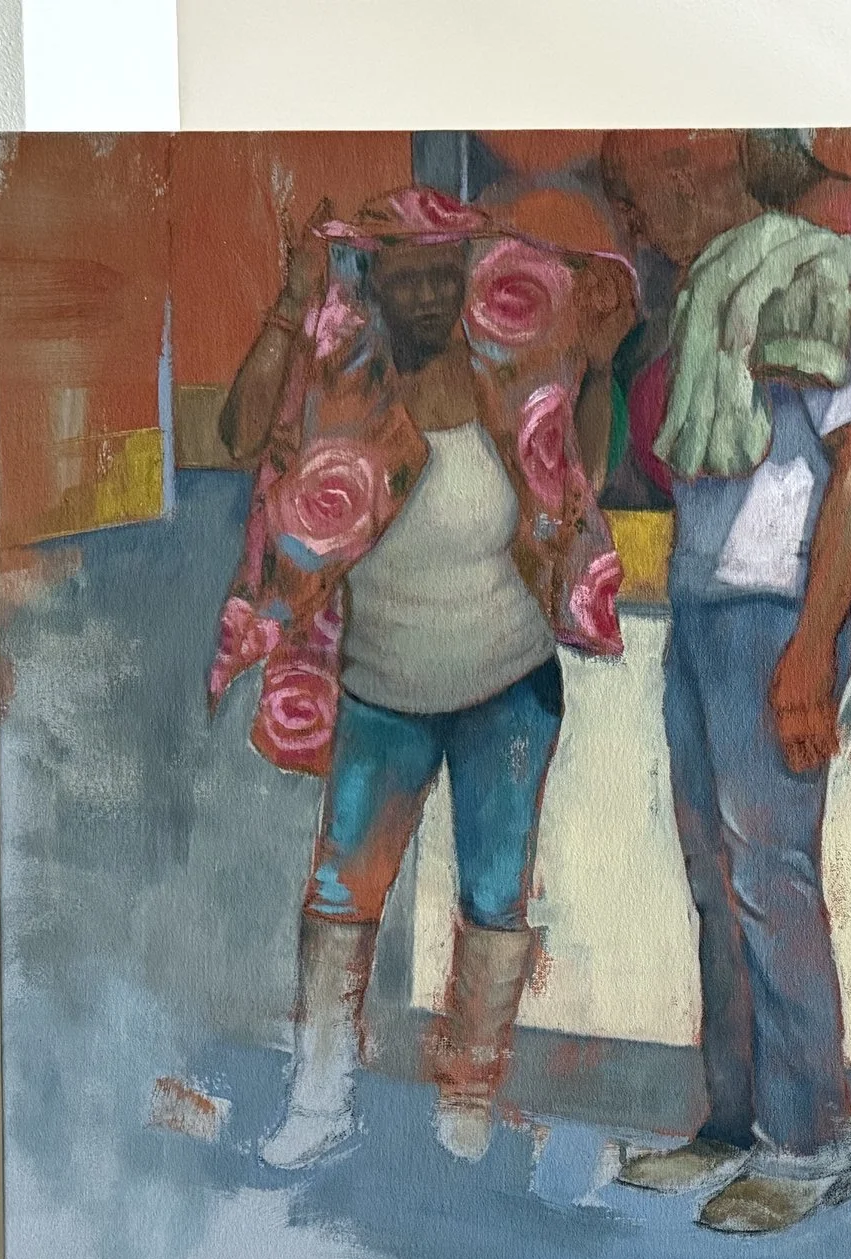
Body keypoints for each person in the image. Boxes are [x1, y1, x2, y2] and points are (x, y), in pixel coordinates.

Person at [213, 185, 636, 1169]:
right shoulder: (336, 385)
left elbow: (581, 482)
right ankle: (319, 1097)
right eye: (407, 278)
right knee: (341, 893)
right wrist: (288, 304)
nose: (429, 297)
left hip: (509, 688)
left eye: (445, 276)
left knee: (495, 896)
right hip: (382, 693)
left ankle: (470, 1092)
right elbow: (237, 434)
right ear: (370, 283)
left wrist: (601, 369)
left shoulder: (509, 380)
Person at [597, 133, 851, 1235]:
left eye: (639, 198)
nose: (635, 225)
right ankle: (735, 1124)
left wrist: (812, 648)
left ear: (698, 174)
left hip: (777, 614)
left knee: (770, 877)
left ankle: (813, 1141)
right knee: (713, 876)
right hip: (706, 606)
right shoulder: (706, 293)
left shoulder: (819, 275)